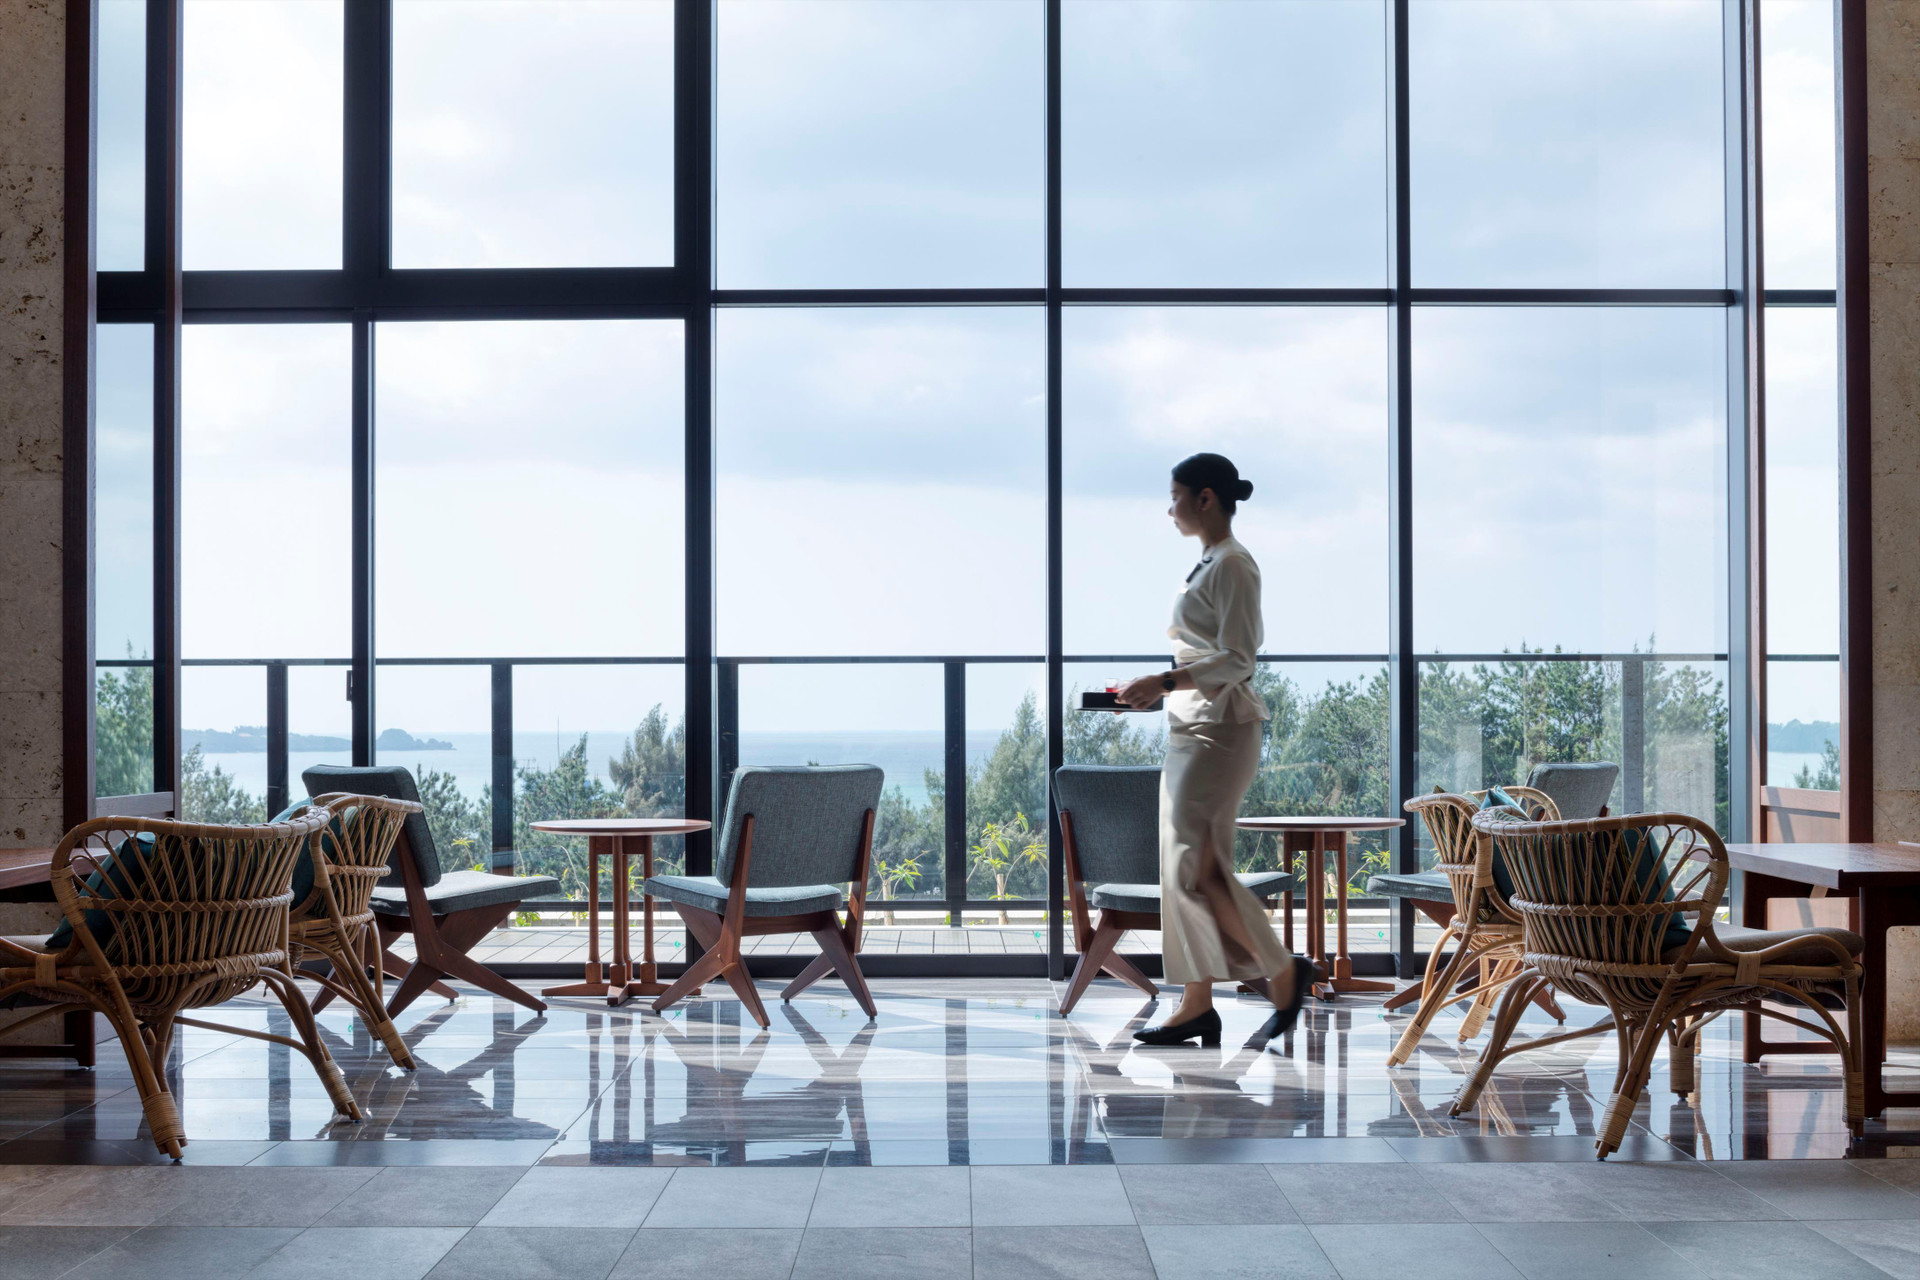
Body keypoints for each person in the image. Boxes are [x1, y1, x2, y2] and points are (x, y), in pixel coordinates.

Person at [1114, 453, 1311, 1047]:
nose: (1168, 507)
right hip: (1190, 725)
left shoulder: (1234, 566)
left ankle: (1282, 971)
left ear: (1204, 498)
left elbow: (1239, 659)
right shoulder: (1206, 564)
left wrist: (1165, 682)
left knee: (1196, 868)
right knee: (1185, 870)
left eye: (1174, 495)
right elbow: (1205, 653)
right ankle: (1196, 1001)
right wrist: (1158, 690)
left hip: (1219, 730)